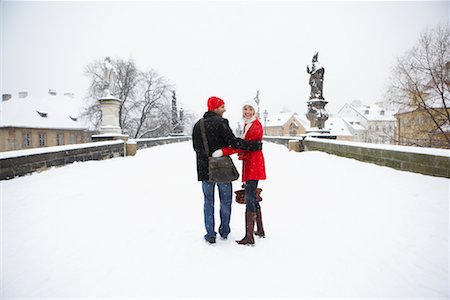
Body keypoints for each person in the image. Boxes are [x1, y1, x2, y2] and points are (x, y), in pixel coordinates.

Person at [192, 96, 262, 244]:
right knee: (225, 200)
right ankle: (224, 230)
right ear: (215, 108)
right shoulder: (221, 123)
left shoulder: (198, 125)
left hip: (205, 169)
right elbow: (234, 142)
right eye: (222, 106)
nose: (225, 109)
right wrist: (254, 146)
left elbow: (196, 148)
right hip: (222, 169)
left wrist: (206, 157)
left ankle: (210, 234)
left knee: (208, 201)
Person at [213, 99, 266, 246]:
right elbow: (242, 144)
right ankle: (260, 230)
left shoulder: (255, 126)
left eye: (250, 109)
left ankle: (249, 237)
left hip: (253, 165)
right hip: (251, 164)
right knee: (253, 196)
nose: (247, 112)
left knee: (250, 198)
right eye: (245, 109)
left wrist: (224, 151)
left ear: (255, 112)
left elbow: (243, 146)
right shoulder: (248, 124)